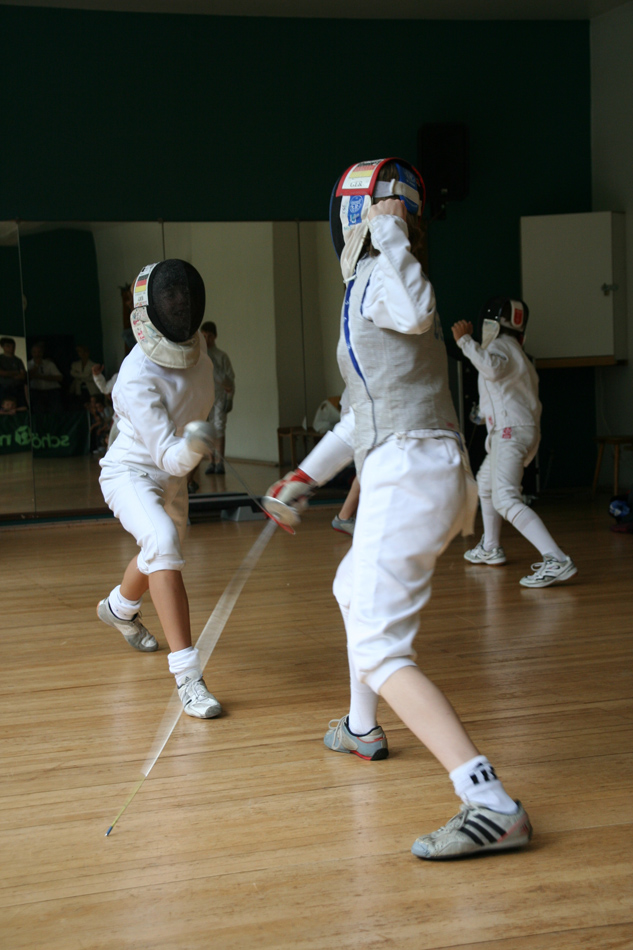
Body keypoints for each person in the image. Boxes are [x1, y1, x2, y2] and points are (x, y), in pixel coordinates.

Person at [266, 158, 532, 860]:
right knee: (349, 588)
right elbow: (362, 415)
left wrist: (390, 240)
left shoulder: (389, 275)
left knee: (382, 647)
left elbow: (417, 311)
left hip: (413, 471)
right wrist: (303, 475)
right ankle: (360, 728)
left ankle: (488, 802)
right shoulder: (365, 287)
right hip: (409, 464)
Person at [98, 259, 222, 719]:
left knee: (157, 552)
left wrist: (194, 441)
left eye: (186, 296)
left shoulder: (200, 355)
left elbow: (179, 455)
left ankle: (119, 607)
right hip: (131, 473)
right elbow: (169, 455)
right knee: (164, 544)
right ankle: (189, 677)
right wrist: (195, 442)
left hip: (172, 479)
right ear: (150, 308)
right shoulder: (136, 376)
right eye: (171, 297)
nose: (181, 305)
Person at [452, 299, 577, 588]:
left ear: (490, 324)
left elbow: (491, 369)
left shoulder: (496, 349)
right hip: (516, 432)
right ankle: (491, 546)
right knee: (486, 484)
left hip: (510, 434)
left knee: (505, 498)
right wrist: (482, 414)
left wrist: (465, 342)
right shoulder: (518, 353)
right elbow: (500, 389)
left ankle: (556, 559)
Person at [200, 321, 235, 475]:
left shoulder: (221, 356)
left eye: (210, 336)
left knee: (219, 427)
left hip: (219, 395)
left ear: (215, 337)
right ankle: (211, 461)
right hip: (203, 396)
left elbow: (230, 380)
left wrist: (229, 398)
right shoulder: (199, 356)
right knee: (207, 429)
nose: (207, 339)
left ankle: (220, 462)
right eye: (204, 336)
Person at [27, 341, 63, 412]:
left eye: (39, 352)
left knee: (55, 411)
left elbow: (59, 377)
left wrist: (39, 376)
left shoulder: (49, 364)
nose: (37, 354)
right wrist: (36, 366)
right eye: (35, 352)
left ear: (42, 353)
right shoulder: (28, 364)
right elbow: (28, 377)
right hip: (36, 391)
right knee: (39, 411)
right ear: (32, 353)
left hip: (52, 391)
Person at [0, 337, 28, 408]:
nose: (11, 348)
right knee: (4, 407)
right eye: (8, 346)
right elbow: (2, 373)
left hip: (17, 387)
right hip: (3, 387)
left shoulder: (18, 360)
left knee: (20, 407)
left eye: (13, 346)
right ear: (2, 347)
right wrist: (16, 372)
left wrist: (7, 374)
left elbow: (22, 376)